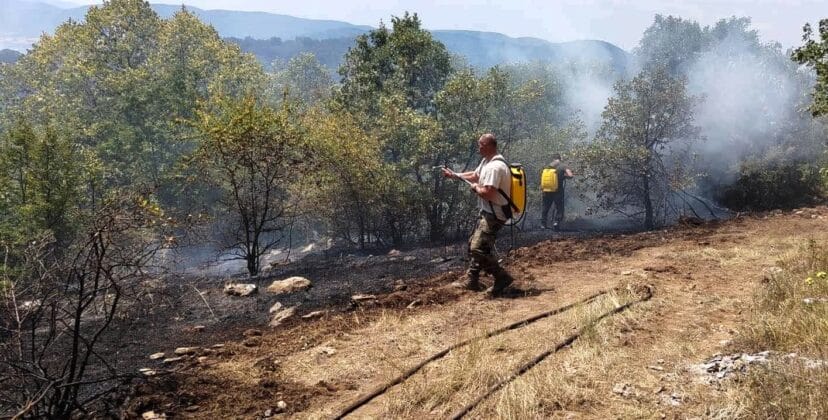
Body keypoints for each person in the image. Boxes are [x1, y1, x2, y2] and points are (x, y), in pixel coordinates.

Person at [442, 133, 515, 296]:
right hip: (487, 212)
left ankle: (501, 277)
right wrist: (455, 175)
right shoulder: (487, 162)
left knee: (478, 248)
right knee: (475, 245)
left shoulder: (495, 167)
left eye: (481, 145)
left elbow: (488, 193)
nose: (478, 147)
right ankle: (472, 279)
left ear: (489, 146)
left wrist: (475, 188)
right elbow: (475, 175)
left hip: (495, 215)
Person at [540, 153, 574, 231]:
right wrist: (564, 176)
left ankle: (543, 224)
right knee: (559, 208)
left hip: (547, 190)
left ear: (553, 159)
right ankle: (556, 223)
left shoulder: (546, 167)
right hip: (558, 191)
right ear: (560, 158)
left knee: (545, 207)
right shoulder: (563, 166)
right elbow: (570, 175)